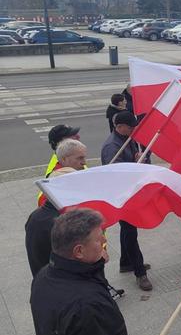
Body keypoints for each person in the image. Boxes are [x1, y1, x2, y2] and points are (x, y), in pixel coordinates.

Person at [30, 209, 165, 335]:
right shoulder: (85, 305)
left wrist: (96, 264)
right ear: (78, 251)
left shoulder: (43, 277)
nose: (104, 241)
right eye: (98, 239)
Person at [101, 111, 152, 291]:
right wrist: (135, 164)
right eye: (130, 128)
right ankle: (140, 273)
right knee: (131, 232)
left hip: (128, 194)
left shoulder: (126, 138)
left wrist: (137, 159)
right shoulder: (112, 147)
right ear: (119, 127)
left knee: (128, 230)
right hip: (121, 196)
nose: (133, 131)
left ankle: (125, 263)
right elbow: (116, 175)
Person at [26, 139, 89, 277]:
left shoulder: (37, 216)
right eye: (80, 158)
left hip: (45, 281)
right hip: (59, 283)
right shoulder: (61, 222)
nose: (84, 162)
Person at [37, 125, 81, 207]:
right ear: (62, 143)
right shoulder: (59, 170)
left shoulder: (71, 158)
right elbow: (44, 201)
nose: (78, 136)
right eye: (72, 136)